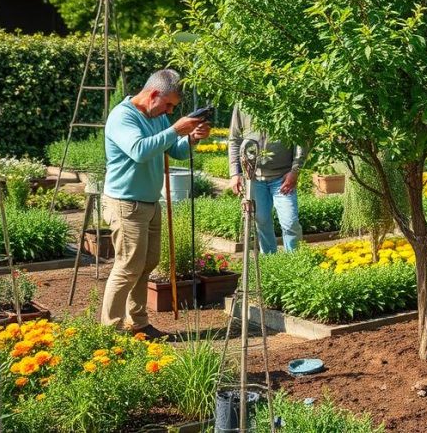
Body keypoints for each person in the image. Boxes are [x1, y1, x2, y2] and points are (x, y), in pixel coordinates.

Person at [100, 69, 210, 338]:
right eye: (169, 104)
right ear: (153, 95)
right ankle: (110, 333)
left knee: (147, 263)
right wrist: (175, 129)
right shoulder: (122, 117)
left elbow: (175, 151)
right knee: (127, 267)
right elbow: (139, 151)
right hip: (125, 204)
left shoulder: (157, 117)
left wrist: (192, 137)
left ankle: (137, 322)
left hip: (149, 202)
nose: (170, 111)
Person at [228, 105, 305, 253]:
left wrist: (295, 170)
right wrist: (235, 173)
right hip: (253, 177)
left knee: (290, 223)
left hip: (283, 177)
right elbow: (235, 139)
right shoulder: (243, 102)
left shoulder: (285, 98)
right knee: (261, 222)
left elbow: (300, 138)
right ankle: (270, 262)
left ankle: (296, 264)